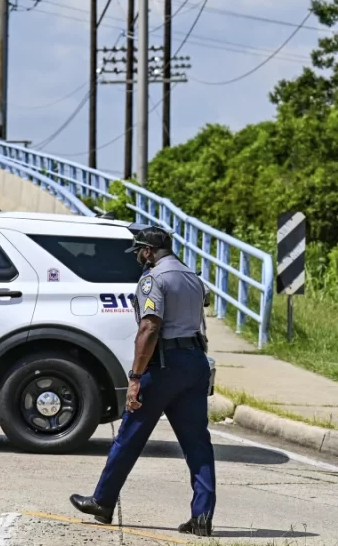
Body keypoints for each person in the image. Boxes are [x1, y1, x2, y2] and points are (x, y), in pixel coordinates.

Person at [70, 226, 217, 537]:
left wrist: (135, 377)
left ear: (149, 251)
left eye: (139, 250)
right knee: (197, 443)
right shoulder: (193, 277)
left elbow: (149, 329)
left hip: (164, 366)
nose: (137, 256)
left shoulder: (153, 279)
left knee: (130, 435)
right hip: (195, 362)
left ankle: (103, 501)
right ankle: (202, 516)